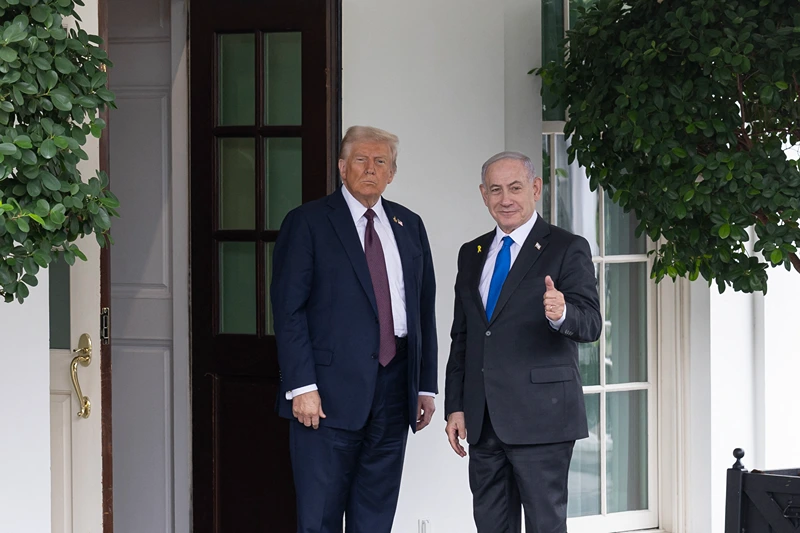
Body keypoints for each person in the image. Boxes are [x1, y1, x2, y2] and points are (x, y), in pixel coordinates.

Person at [271, 125, 438, 533]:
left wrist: (425, 386)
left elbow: (423, 309)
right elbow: (287, 310)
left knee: (375, 517)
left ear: (392, 173)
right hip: (325, 397)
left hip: (394, 390)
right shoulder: (307, 222)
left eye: (380, 162)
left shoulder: (408, 224)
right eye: (361, 160)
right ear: (342, 167)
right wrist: (301, 386)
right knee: (321, 517)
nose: (370, 169)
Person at [444, 151, 602, 533]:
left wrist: (561, 312)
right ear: (483, 195)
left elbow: (591, 324)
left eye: (515, 188)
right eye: (495, 190)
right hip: (483, 421)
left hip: (542, 421)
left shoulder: (567, 247)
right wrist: (456, 406)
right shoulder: (472, 253)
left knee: (545, 527)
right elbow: (463, 336)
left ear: (535, 189)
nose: (505, 199)